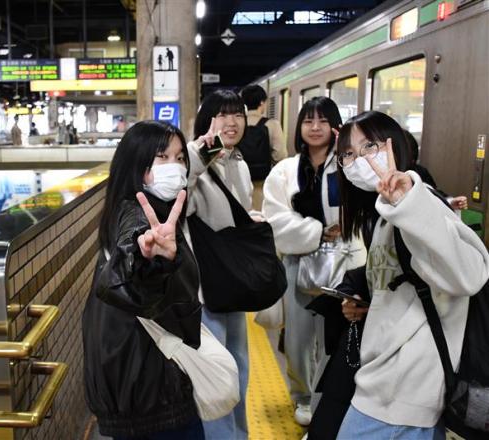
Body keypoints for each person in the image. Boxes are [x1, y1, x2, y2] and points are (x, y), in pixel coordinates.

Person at [334, 110, 489, 439]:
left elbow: (470, 275)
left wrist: (408, 202)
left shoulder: (418, 204)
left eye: (369, 146)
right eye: (348, 153)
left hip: (402, 389)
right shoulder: (382, 215)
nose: (358, 159)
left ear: (395, 147)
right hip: (392, 384)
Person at [82, 120, 204, 439]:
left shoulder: (147, 207)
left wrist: (217, 143)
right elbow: (133, 264)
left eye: (180, 158)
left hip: (143, 381)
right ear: (137, 165)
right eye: (162, 157)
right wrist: (150, 262)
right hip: (152, 389)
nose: (174, 167)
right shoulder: (137, 214)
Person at [262, 97, 366, 427]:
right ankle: (303, 397)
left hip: (347, 262)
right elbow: (275, 220)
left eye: (323, 120)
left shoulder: (350, 166)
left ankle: (335, 398)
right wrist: (318, 231)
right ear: (300, 127)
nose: (316, 127)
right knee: (299, 338)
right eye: (309, 121)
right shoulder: (286, 170)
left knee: (340, 333)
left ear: (336, 127)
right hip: (299, 263)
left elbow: (365, 206)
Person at [186, 89, 257, 439]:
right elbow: (177, 200)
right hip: (205, 287)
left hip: (235, 281)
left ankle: (238, 434)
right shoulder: (195, 160)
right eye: (222, 114)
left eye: (238, 114)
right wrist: (204, 153)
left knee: (240, 367)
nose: (232, 122)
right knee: (217, 374)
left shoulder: (239, 164)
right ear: (207, 120)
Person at [239, 84, 288, 210]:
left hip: (239, 183)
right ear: (262, 103)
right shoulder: (272, 124)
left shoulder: (237, 124)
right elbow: (280, 155)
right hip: (262, 184)